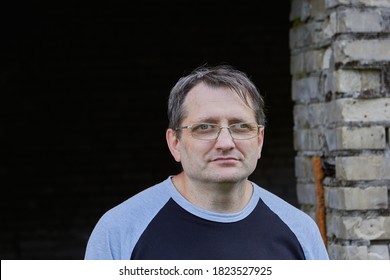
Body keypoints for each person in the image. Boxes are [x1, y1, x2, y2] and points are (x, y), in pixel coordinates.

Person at [84, 65, 329, 260]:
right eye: (205, 127)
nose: (225, 142)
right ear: (175, 143)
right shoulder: (119, 231)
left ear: (260, 140)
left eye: (241, 126)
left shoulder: (300, 231)